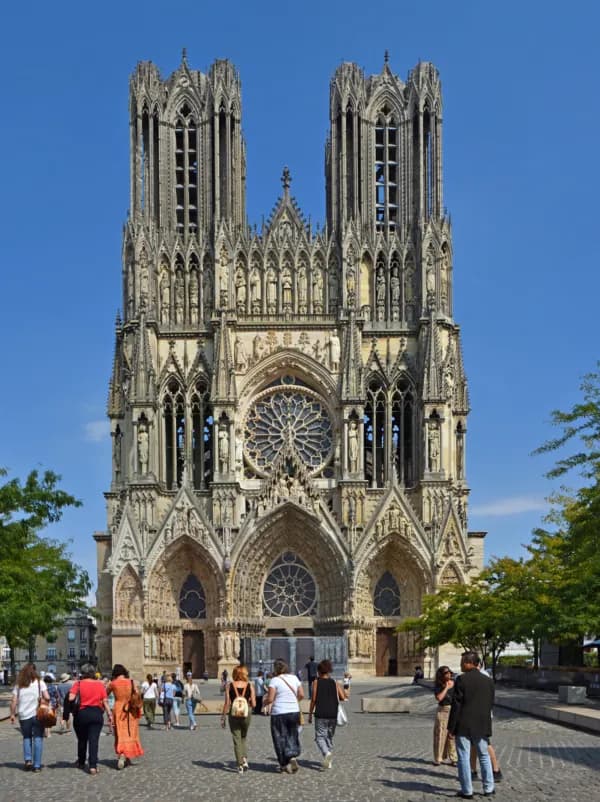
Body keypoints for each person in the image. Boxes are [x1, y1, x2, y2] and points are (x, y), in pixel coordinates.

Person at [448, 651, 495, 799]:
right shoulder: (488, 681)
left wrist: (451, 727)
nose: (461, 665)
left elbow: (456, 706)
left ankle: (467, 790)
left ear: (470, 663)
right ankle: (489, 787)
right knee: (484, 756)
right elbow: (490, 703)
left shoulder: (461, 680)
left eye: (463, 662)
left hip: (463, 724)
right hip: (482, 723)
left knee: (463, 757)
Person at [69, 662, 113, 775]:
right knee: (94, 740)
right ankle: (93, 766)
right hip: (96, 713)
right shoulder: (99, 685)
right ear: (93, 673)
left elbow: (71, 698)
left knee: (82, 739)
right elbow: (105, 701)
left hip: (82, 714)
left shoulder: (78, 683)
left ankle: (81, 762)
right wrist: (109, 714)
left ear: (82, 673)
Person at [264, 658, 304, 773]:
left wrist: (265, 702)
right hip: (294, 711)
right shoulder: (294, 678)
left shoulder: (274, 680)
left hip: (279, 713)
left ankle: (283, 764)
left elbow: (271, 698)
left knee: (279, 737)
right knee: (292, 735)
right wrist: (294, 702)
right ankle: (292, 756)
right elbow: (301, 694)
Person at [9, 663, 50, 772]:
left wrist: (12, 714)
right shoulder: (40, 683)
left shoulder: (19, 684)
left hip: (23, 715)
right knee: (38, 738)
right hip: (38, 714)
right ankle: (37, 766)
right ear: (35, 671)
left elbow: (13, 701)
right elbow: (47, 697)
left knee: (26, 737)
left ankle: (28, 761)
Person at [308, 659, 347, 770]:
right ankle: (328, 761)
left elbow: (314, 699)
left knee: (320, 737)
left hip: (321, 713)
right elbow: (343, 697)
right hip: (333, 714)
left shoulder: (316, 682)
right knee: (329, 737)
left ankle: (326, 754)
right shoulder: (334, 682)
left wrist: (310, 714)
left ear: (319, 671)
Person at [470, 656, 503, 782]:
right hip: (481, 715)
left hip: (479, 716)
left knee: (485, 744)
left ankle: (496, 770)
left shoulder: (482, 675)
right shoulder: (484, 675)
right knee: (474, 745)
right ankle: (472, 770)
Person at [107, 664, 144, 769]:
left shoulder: (113, 683)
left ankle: (122, 754)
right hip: (131, 710)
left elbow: (104, 694)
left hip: (118, 709)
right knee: (130, 733)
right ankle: (126, 755)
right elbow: (137, 694)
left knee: (120, 733)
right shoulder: (131, 682)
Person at [221, 664, 256, 773]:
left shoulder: (229, 686)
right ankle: (244, 759)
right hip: (246, 713)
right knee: (243, 737)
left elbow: (227, 703)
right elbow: (254, 704)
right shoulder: (250, 686)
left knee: (236, 738)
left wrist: (223, 716)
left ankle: (240, 764)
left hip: (234, 712)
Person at [433, 665, 457, 766]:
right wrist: (446, 687)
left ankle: (454, 758)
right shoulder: (439, 685)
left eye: (449, 672)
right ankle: (439, 758)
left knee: (452, 735)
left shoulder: (455, 683)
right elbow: (439, 698)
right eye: (446, 673)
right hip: (443, 710)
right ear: (441, 675)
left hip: (453, 710)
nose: (449, 674)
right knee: (441, 734)